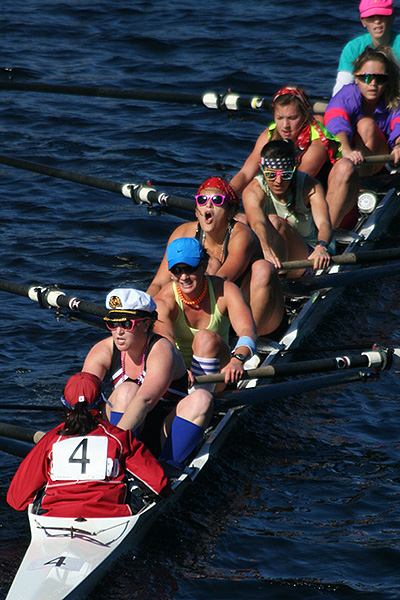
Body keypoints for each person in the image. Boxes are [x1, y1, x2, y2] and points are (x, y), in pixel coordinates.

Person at [7, 372, 171, 518]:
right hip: (112, 518)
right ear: (102, 404)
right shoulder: (119, 438)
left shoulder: (50, 441)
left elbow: (16, 498)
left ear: (65, 406)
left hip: (57, 518)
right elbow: (159, 487)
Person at [82, 288, 213, 469]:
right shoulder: (103, 350)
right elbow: (82, 399)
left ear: (146, 324)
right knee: (126, 391)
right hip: (121, 430)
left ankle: (167, 467)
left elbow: (145, 400)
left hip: (164, 433)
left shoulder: (162, 350)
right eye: (112, 323)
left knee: (202, 399)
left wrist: (113, 443)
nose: (118, 331)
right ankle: (119, 462)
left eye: (126, 324)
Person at [147, 176, 287, 340]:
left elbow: (223, 278)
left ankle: (248, 341)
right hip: (217, 313)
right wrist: (141, 307)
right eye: (202, 200)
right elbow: (159, 283)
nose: (208, 205)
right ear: (197, 212)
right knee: (205, 267)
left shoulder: (242, 235)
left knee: (263, 268)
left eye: (217, 200)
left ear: (230, 213)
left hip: (258, 317)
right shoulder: (182, 234)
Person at [230, 85, 359, 230]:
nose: (285, 125)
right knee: (239, 218)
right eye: (280, 118)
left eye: (292, 118)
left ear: (305, 115)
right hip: (290, 205)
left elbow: (291, 184)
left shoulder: (317, 143)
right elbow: (245, 173)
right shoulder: (269, 134)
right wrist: (225, 196)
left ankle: (325, 236)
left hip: (325, 212)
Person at [153, 237, 258, 390]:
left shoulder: (226, 290)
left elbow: (248, 331)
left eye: (190, 269)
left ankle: (201, 396)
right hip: (179, 373)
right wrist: (180, 370)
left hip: (219, 373)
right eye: (177, 271)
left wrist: (237, 360)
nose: (184, 277)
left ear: (204, 266)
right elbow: (166, 345)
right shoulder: (163, 301)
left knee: (204, 338)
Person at [242, 140, 332, 278]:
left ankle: (279, 279)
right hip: (267, 254)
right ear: (261, 168)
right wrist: (266, 251)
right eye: (271, 175)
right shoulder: (252, 191)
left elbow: (325, 224)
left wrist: (322, 246)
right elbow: (257, 223)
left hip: (307, 257)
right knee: (240, 221)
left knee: (274, 221)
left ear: (294, 169)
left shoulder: (310, 186)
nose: (278, 181)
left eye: (285, 175)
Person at [325, 45, 400, 186]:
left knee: (367, 124)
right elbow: (336, 121)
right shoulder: (347, 95)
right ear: (356, 78)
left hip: (382, 162)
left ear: (388, 81)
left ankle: (361, 184)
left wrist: (398, 145)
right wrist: (346, 150)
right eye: (367, 78)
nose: (373, 84)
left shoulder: (395, 99)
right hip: (348, 155)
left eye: (380, 79)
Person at [333, 0, 400, 96]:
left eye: (382, 15)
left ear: (392, 17)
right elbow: (341, 90)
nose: (377, 21)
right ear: (363, 21)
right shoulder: (352, 49)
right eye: (370, 17)